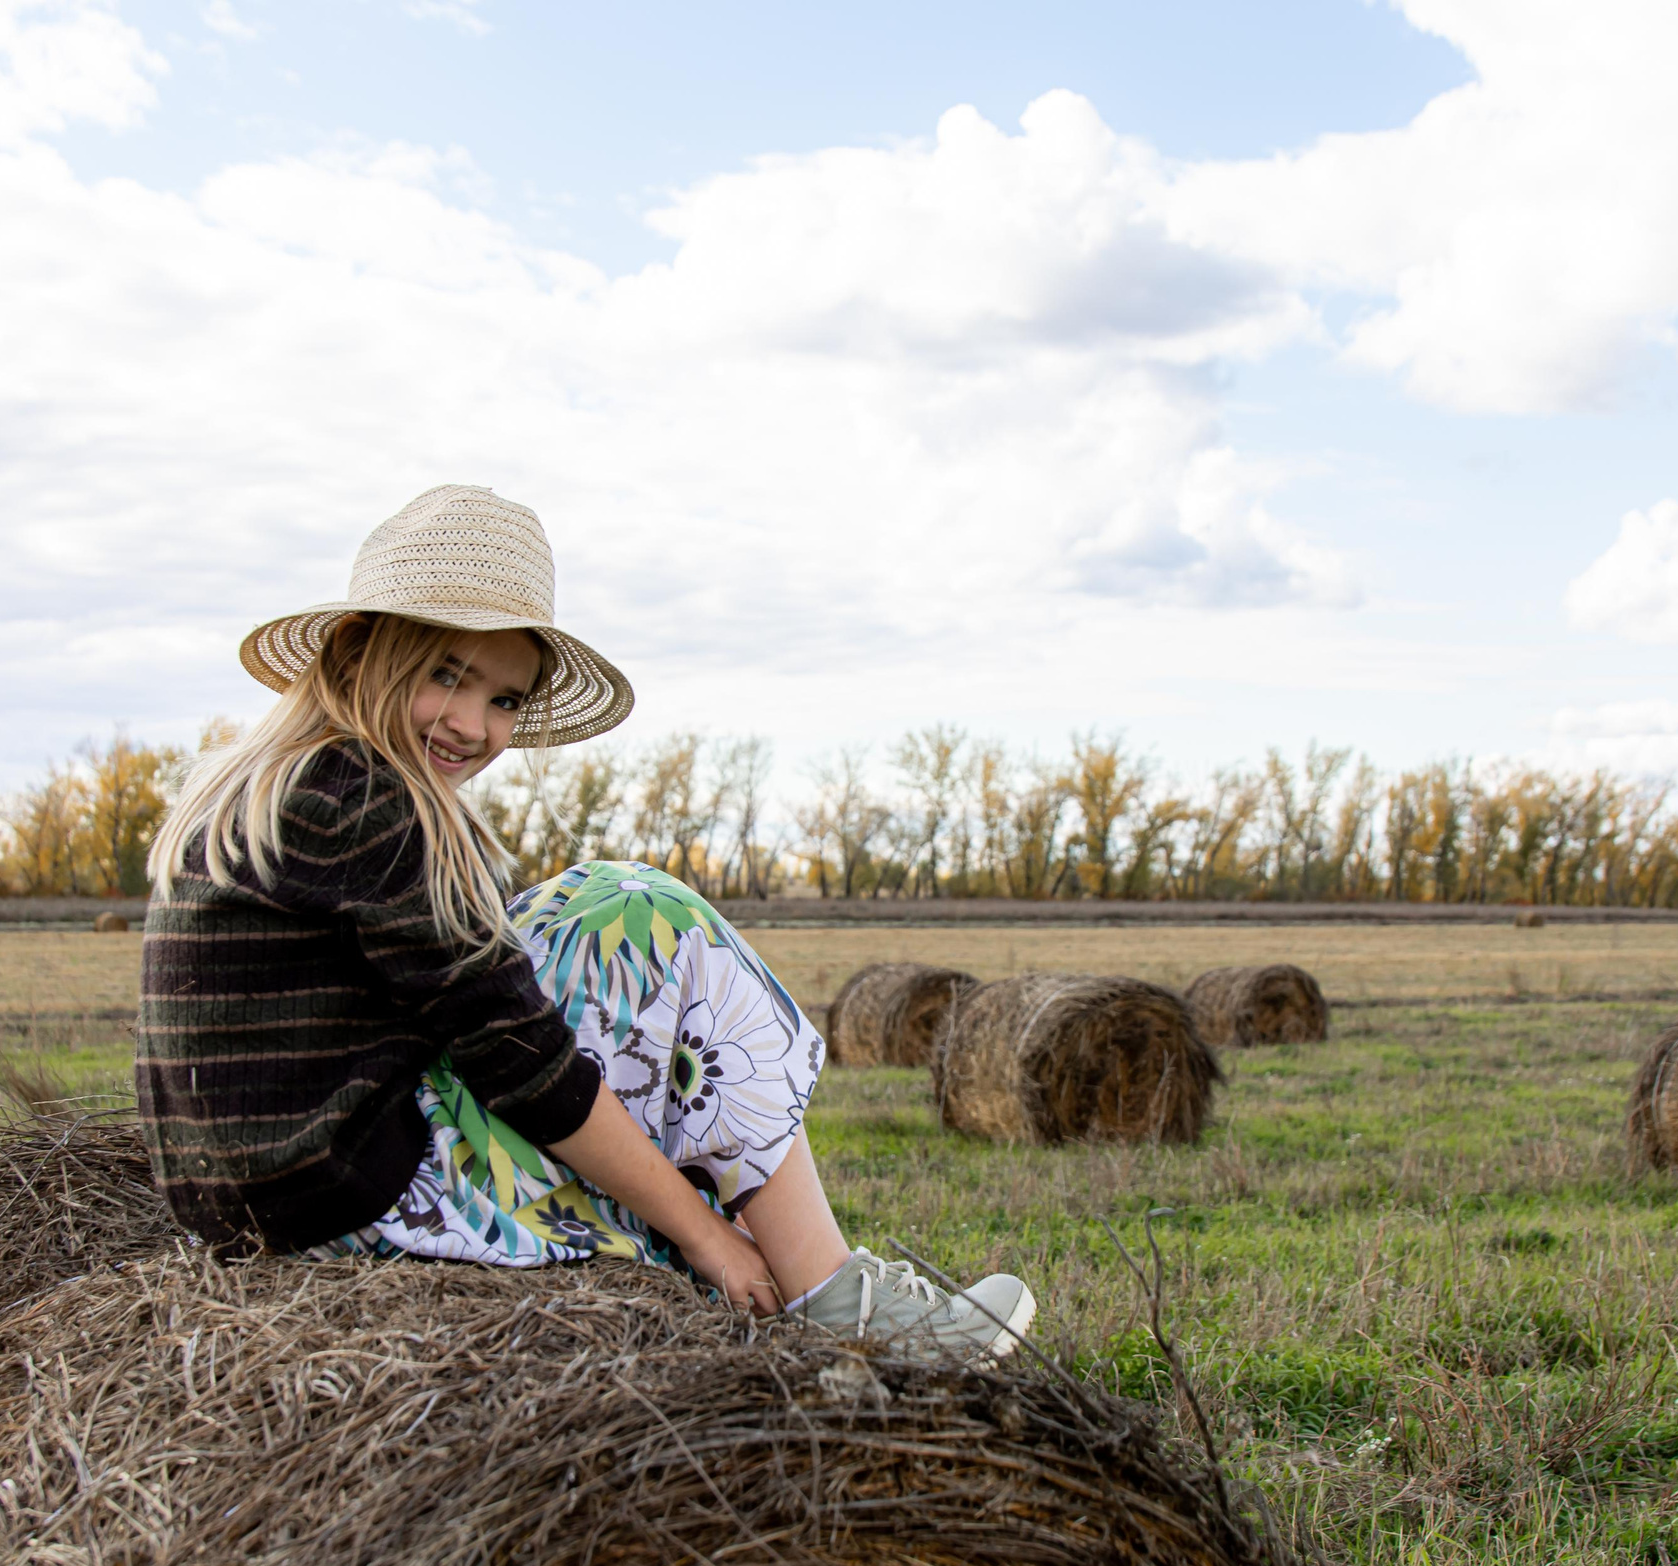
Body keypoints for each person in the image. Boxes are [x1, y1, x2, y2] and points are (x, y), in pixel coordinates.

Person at [136, 484, 1035, 1360]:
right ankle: (829, 1292)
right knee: (644, 906)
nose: (471, 723)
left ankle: (792, 1261)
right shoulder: (362, 796)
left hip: (269, 1205)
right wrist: (703, 1236)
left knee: (563, 917)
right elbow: (520, 1059)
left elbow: (471, 1000)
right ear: (362, 648)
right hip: (349, 1207)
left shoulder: (268, 783)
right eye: (446, 672)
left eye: (505, 699)